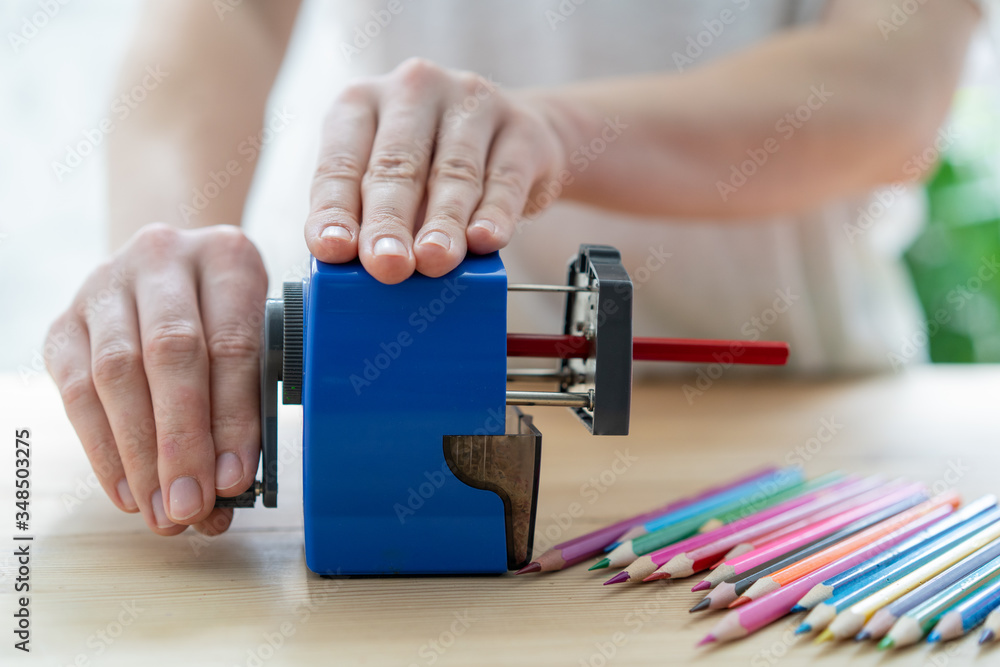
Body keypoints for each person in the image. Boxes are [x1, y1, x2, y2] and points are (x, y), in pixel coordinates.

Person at [44, 0, 986, 537]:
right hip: (393, 405)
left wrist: (562, 132)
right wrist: (173, 263)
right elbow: (226, 18)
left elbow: (893, 78)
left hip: (806, 440)